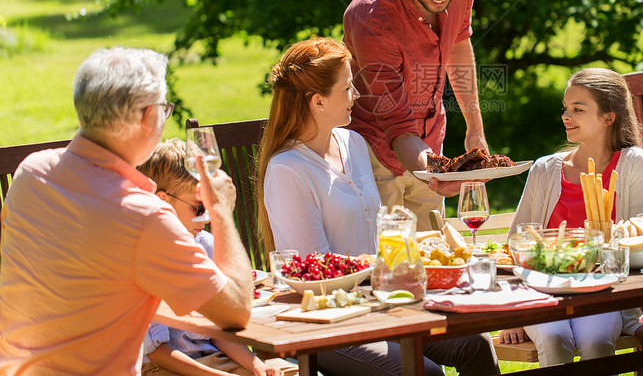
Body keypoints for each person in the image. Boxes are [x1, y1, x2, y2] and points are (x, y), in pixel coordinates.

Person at [255, 37, 500, 376]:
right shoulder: (287, 170)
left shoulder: (353, 143)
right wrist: (377, 270)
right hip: (330, 319)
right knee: (425, 373)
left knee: (477, 344)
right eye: (347, 89)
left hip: (383, 299)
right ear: (318, 102)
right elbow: (313, 270)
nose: (356, 96)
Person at [0, 47, 252, 375]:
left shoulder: (31, 173)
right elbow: (236, 311)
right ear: (148, 117)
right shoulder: (143, 216)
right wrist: (219, 209)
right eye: (164, 109)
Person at [499, 68, 643, 366]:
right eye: (566, 108)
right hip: (541, 289)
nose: (566, 116)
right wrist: (515, 314)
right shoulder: (545, 169)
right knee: (553, 339)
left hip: (602, 291)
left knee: (596, 341)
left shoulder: (634, 163)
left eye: (578, 109)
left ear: (608, 117)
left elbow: (640, 240)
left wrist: (631, 316)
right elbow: (515, 244)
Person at [343, 0, 488, 230]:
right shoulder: (373, 19)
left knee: (436, 256)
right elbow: (397, 127)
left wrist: (474, 127)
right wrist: (435, 172)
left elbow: (459, 44)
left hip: (429, 141)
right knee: (391, 263)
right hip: (374, 153)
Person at [138, 140, 297, 376]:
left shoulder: (205, 244)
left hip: (214, 357)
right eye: (198, 207)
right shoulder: (144, 258)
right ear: (163, 200)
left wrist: (257, 366)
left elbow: (222, 331)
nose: (206, 219)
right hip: (165, 367)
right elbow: (155, 351)